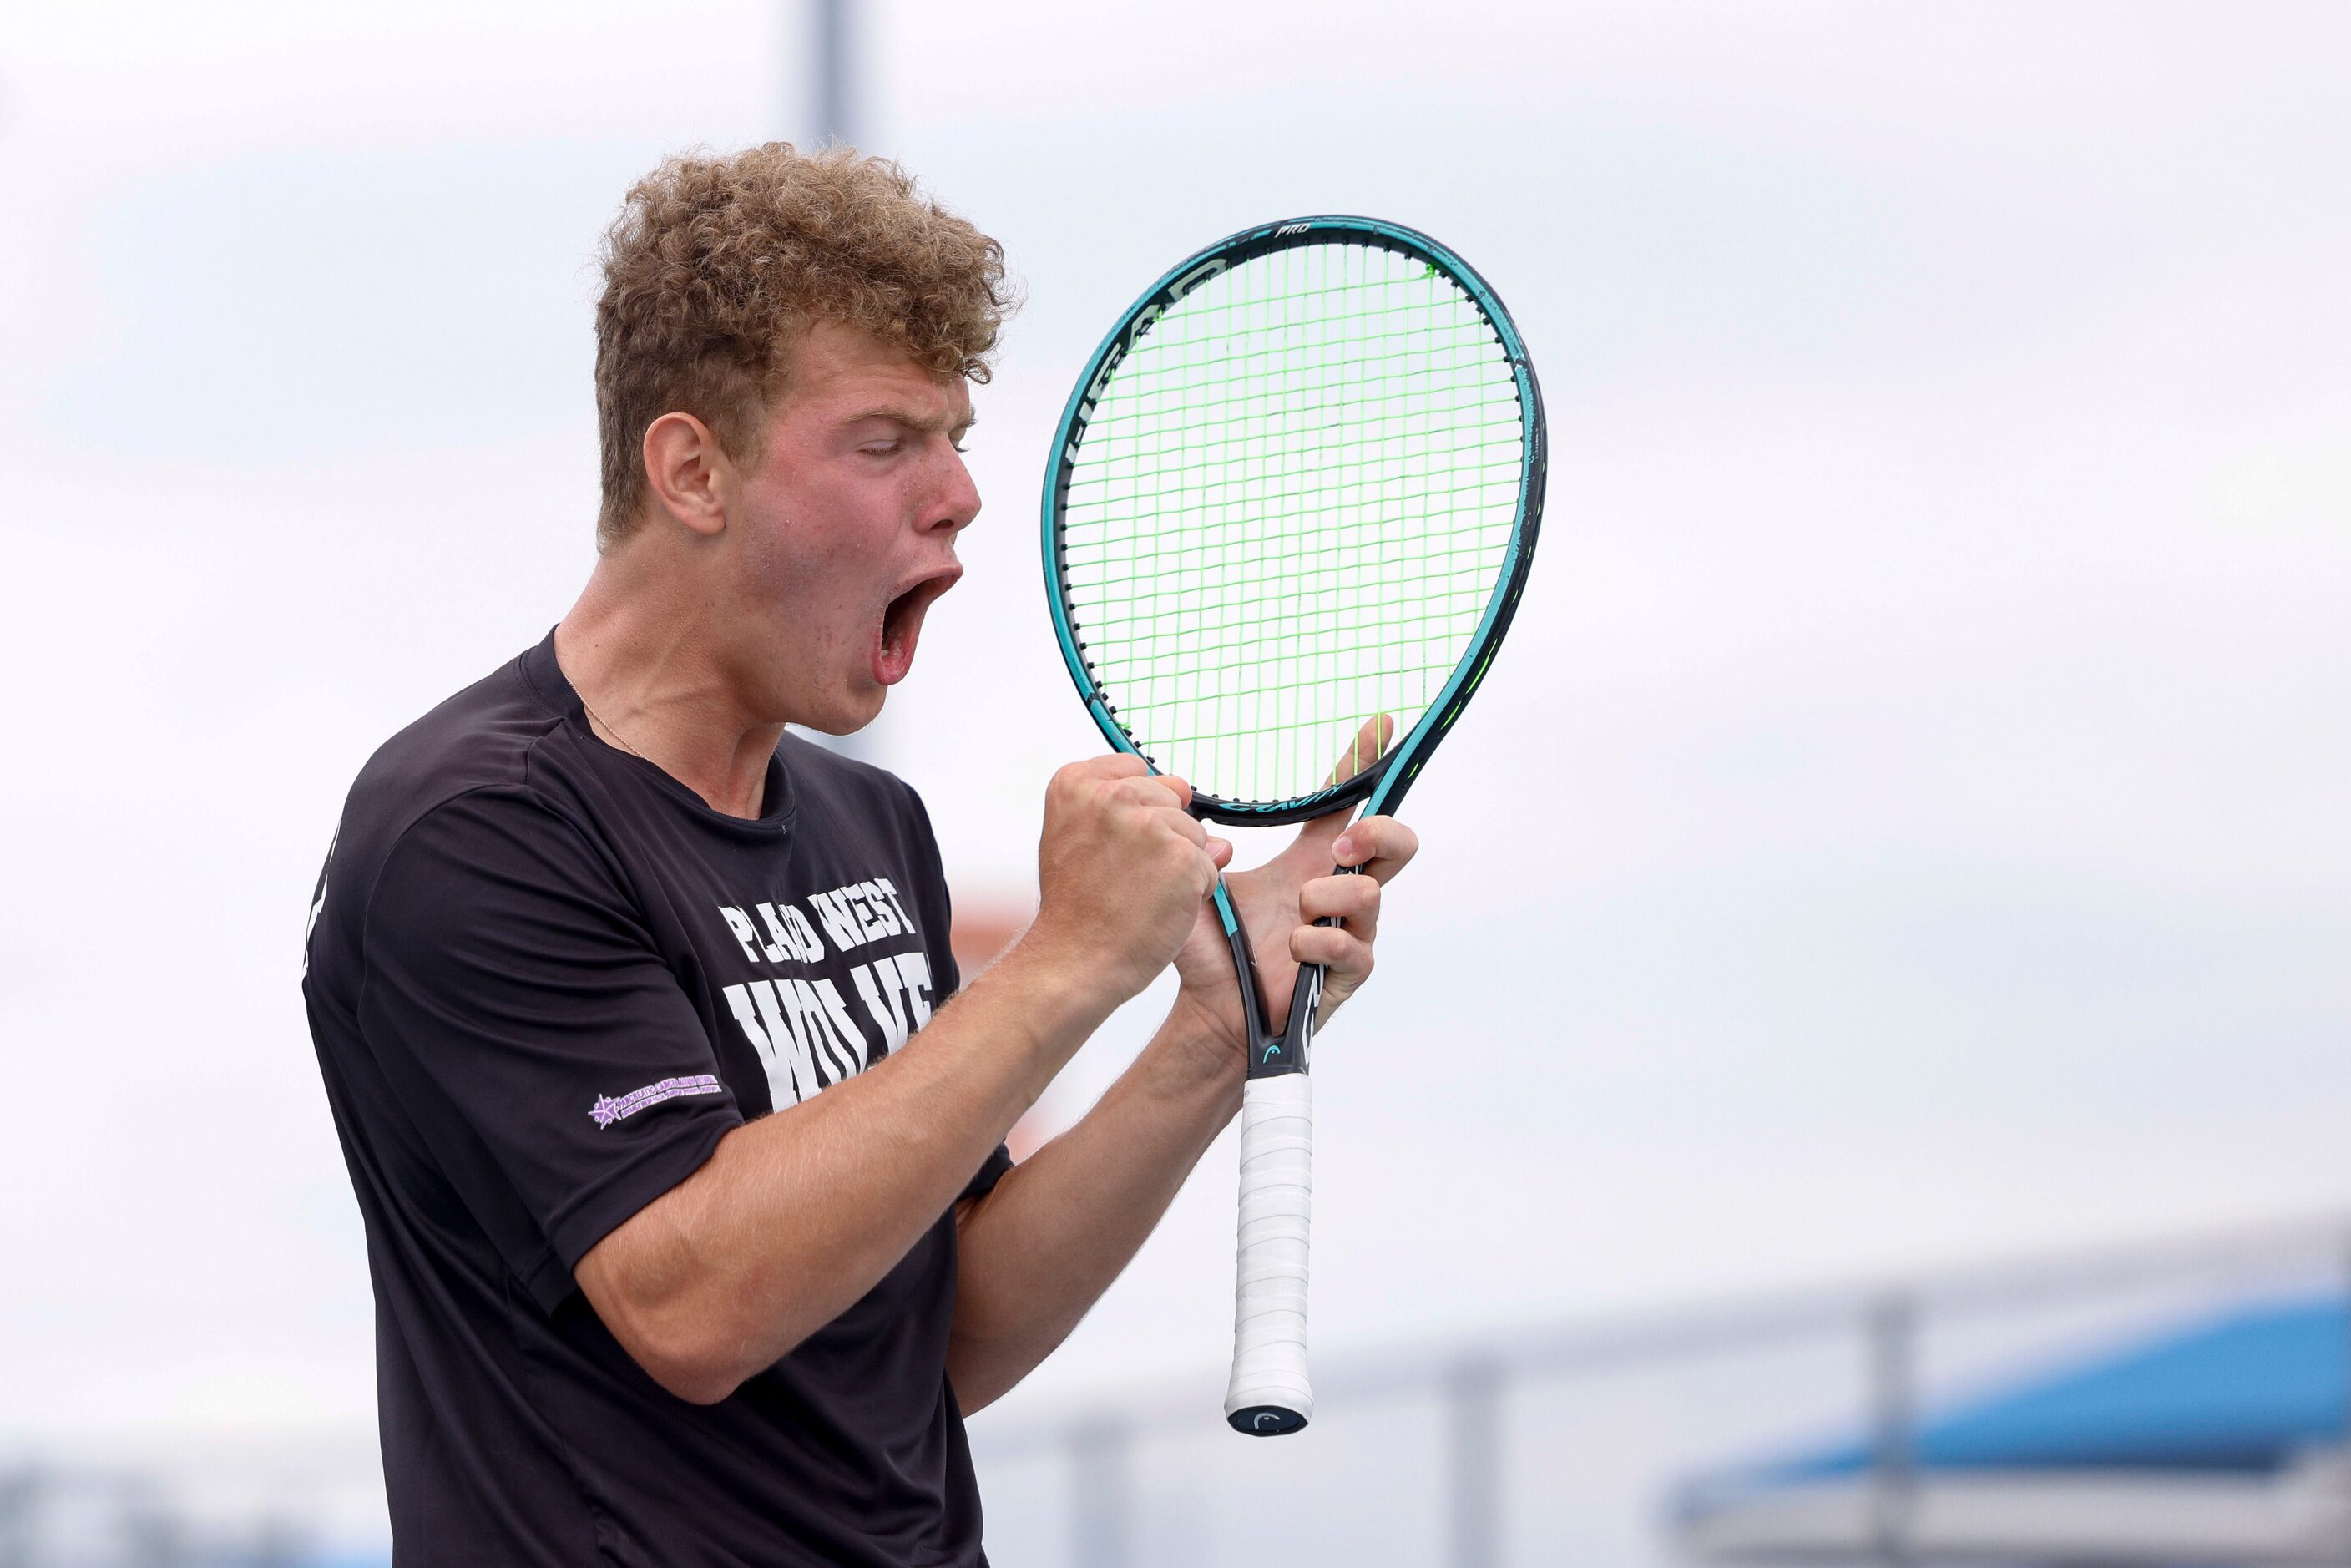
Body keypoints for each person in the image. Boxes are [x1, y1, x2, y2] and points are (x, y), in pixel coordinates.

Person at [301, 144, 1416, 1566]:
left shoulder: (866, 825)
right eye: (886, 442)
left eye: (955, 435)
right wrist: (1066, 961)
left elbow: (944, 1336)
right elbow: (694, 1304)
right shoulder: (473, 826)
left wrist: (1212, 1025)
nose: (955, 495)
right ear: (693, 469)